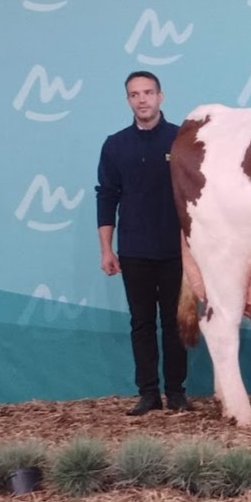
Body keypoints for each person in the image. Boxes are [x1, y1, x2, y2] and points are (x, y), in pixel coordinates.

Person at [96, 70, 193, 416]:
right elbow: (106, 197)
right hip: (134, 250)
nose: (142, 99)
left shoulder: (183, 140)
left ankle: (177, 393)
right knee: (141, 323)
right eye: (135, 94)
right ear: (128, 100)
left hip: (176, 252)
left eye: (148, 92)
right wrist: (107, 248)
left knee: (175, 322)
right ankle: (148, 393)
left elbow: (199, 197)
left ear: (160, 97)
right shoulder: (115, 145)